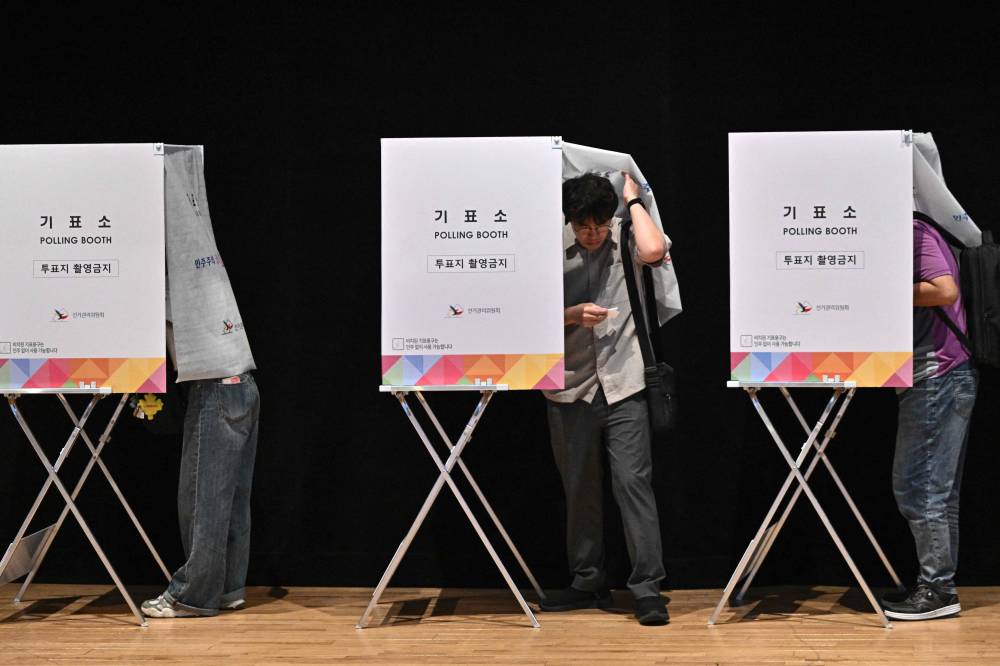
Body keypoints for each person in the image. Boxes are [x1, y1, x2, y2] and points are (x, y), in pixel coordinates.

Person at [540, 172, 671, 626]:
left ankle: (647, 587)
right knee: (578, 488)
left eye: (599, 224)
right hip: (568, 385)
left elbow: (655, 252)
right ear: (570, 221)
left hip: (624, 381)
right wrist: (571, 316)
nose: (593, 234)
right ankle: (586, 581)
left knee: (633, 483)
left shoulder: (625, 235)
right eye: (583, 227)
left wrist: (633, 203)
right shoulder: (548, 249)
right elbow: (525, 318)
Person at [141, 145, 260, 618]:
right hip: (241, 382)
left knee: (203, 500)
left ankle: (192, 594)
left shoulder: (175, 272)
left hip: (217, 386)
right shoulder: (196, 260)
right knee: (230, 499)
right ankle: (228, 587)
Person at [882, 215, 977, 621]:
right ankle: (938, 585)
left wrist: (879, 292)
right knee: (937, 492)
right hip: (935, 376)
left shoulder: (914, 230)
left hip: (937, 374)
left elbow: (943, 290)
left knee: (918, 487)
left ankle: (937, 589)